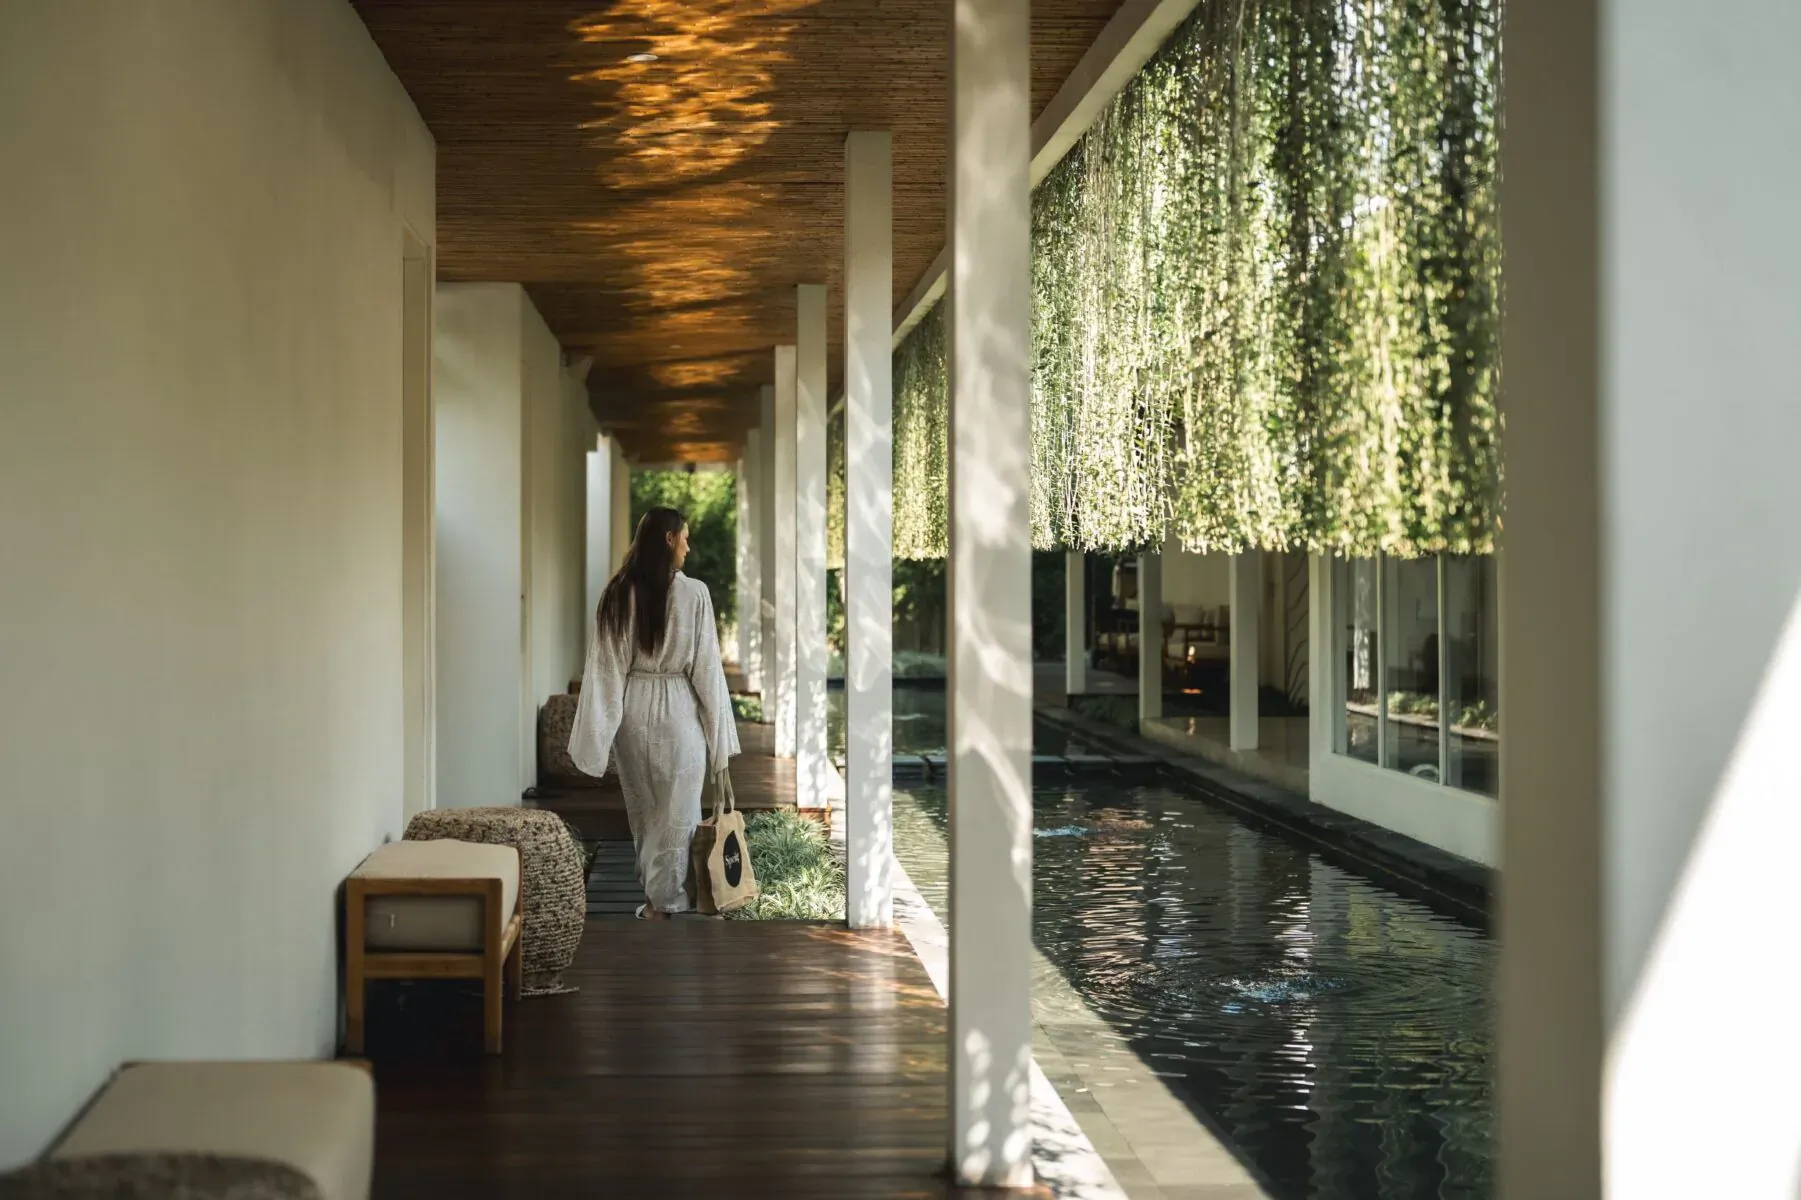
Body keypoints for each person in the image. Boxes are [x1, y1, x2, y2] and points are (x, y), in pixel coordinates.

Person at [569, 507, 740, 920]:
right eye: (684, 537)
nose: (688, 546)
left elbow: (605, 670)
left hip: (634, 711)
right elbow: (707, 671)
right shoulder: (695, 593)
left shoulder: (616, 593)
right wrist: (719, 738)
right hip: (679, 712)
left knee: (646, 813)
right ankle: (665, 904)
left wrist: (599, 735)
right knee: (677, 815)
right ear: (668, 539)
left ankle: (654, 899)